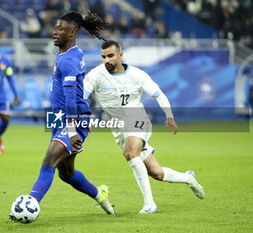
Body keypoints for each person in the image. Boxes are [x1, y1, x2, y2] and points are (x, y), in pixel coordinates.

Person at [10, 12, 115, 221]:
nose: (55, 32)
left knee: (49, 159)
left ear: (72, 32)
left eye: (60, 28)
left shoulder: (68, 59)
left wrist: (73, 128)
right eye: (55, 28)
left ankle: (28, 205)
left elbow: (70, 96)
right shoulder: (69, 54)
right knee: (66, 174)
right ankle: (99, 195)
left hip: (70, 119)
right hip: (61, 118)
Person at [84, 40, 205, 214]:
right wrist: (85, 116)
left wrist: (169, 115)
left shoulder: (137, 75)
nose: (106, 60)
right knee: (157, 173)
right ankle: (188, 178)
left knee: (130, 152)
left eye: (110, 56)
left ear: (120, 55)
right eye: (103, 57)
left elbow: (159, 94)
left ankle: (150, 204)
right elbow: (81, 97)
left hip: (138, 118)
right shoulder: (96, 74)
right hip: (118, 127)